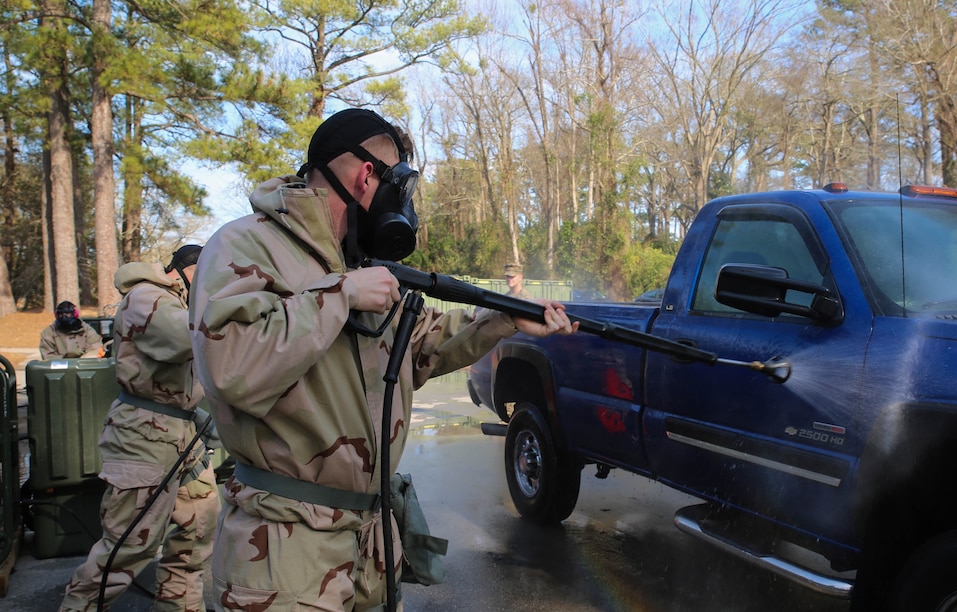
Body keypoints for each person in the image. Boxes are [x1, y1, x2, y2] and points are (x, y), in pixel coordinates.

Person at [188, 108, 576, 611]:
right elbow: (229, 366)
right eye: (400, 182)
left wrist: (504, 320)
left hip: (370, 547)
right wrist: (339, 294)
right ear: (366, 174)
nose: (403, 199)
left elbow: (420, 347)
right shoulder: (248, 245)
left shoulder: (359, 265)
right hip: (285, 552)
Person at [59, 245, 218, 612]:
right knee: (130, 546)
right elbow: (184, 339)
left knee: (198, 528)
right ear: (188, 270)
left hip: (181, 435)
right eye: (207, 273)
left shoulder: (183, 302)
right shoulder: (147, 296)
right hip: (144, 435)